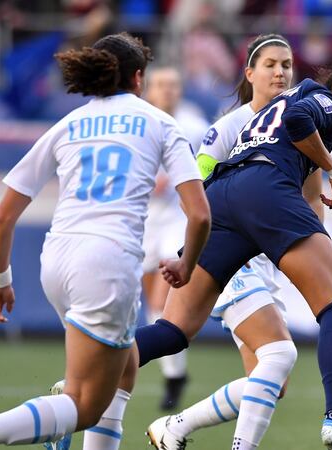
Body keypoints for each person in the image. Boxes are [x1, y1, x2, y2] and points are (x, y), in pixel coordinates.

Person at [133, 31, 332, 450]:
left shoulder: (288, 105)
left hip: (225, 198)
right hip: (264, 189)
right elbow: (299, 123)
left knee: (173, 330)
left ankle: (84, 377)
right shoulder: (324, 101)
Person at [0, 33, 211, 450]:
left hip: (57, 261)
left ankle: (50, 422)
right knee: (85, 407)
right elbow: (201, 213)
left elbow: (3, 215)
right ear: (138, 78)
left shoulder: (68, 124)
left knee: (125, 365)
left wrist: (0, 279)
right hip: (107, 263)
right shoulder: (160, 122)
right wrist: (187, 263)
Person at [146, 33, 309, 450]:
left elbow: (309, 200)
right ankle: (92, 376)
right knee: (278, 354)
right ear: (250, 73)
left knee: (273, 381)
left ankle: (174, 427)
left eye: (287, 65)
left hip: (264, 261)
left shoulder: (300, 128)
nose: (280, 71)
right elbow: (196, 189)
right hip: (229, 257)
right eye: (271, 64)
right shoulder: (228, 127)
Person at [142, 65, 210, 411]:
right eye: (161, 85)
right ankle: (175, 372)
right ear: (148, 88)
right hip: (144, 219)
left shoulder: (194, 125)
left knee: (160, 299)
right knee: (148, 299)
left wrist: (183, 180)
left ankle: (172, 374)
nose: (167, 90)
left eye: (173, 85)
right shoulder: (140, 119)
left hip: (178, 220)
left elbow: (210, 165)